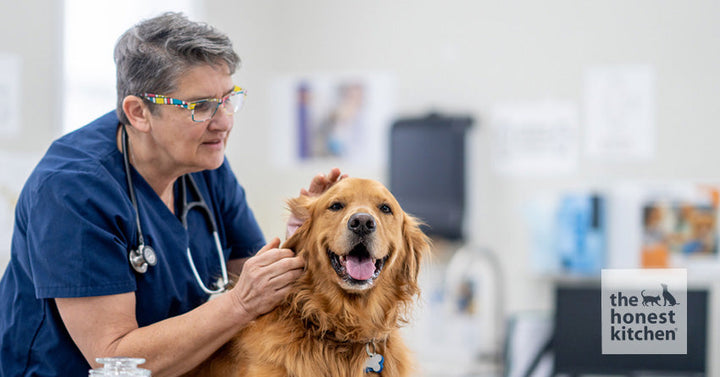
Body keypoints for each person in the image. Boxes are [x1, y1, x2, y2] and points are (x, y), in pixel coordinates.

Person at [0, 12, 344, 376]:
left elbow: (252, 278)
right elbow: (115, 360)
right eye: (200, 106)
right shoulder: (72, 191)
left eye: (228, 99)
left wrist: (300, 241)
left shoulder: (204, 165)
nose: (224, 121)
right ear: (138, 113)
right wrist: (239, 305)